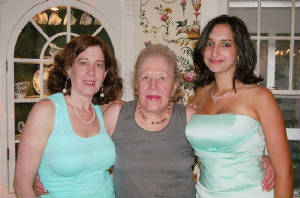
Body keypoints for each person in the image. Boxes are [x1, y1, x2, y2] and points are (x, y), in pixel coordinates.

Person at [33, 44, 275, 198]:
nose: (153, 85)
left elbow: (223, 150)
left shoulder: (190, 118)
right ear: (136, 84)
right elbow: (81, 151)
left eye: (162, 77)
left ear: (175, 86)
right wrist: (40, 171)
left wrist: (260, 160)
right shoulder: (116, 115)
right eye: (146, 77)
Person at [185, 15, 293, 198]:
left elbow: (285, 172)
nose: (215, 51)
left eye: (225, 44)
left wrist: (265, 160)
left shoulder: (260, 97)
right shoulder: (199, 95)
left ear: (239, 51)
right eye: (210, 43)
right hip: (204, 194)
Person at [13, 35, 123, 198]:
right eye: (83, 62)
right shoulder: (46, 111)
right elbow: (21, 186)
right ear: (68, 69)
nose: (91, 72)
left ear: (105, 73)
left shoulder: (105, 114)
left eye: (98, 65)